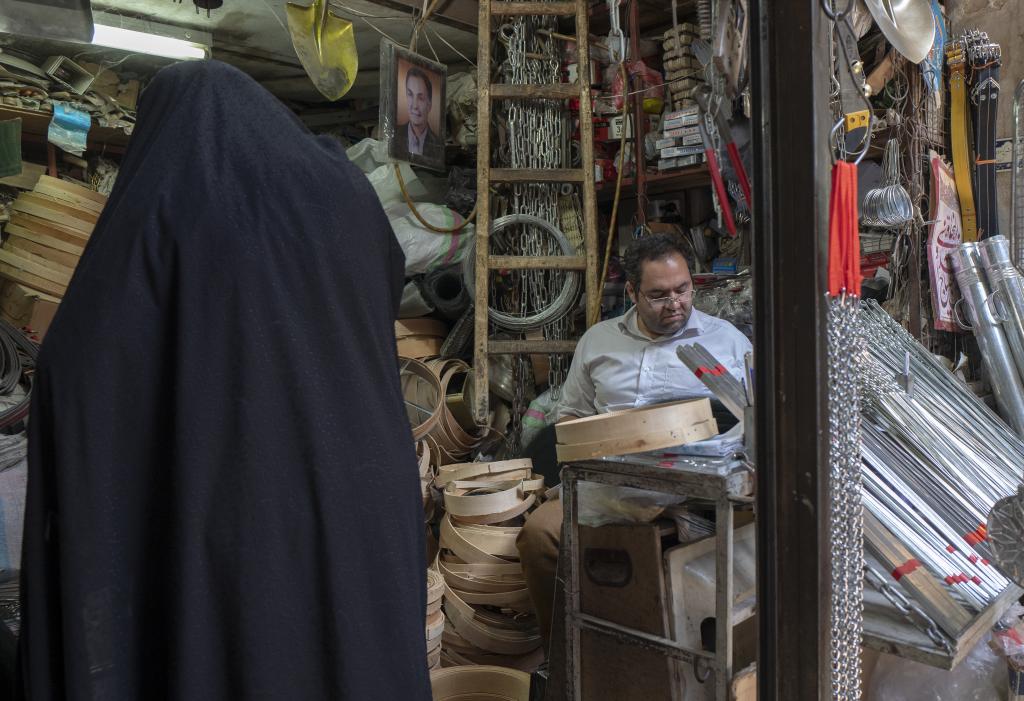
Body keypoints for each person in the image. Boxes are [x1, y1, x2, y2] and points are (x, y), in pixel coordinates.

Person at [17, 61, 431, 700]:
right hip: (367, 481)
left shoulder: (176, 188)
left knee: (246, 644)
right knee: (351, 648)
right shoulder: (344, 190)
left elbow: (82, 362)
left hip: (244, 495)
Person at [516, 233, 752, 654]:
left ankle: (705, 661)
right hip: (611, 487)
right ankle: (568, 659)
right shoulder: (599, 341)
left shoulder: (727, 341)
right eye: (658, 295)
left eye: (682, 290)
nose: (675, 303)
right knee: (539, 535)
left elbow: (759, 421)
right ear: (632, 292)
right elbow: (571, 418)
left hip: (696, 493)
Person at [394, 66, 442, 160]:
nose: (414, 106)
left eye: (421, 98)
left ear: (429, 105)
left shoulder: (438, 146)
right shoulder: (394, 136)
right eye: (410, 94)